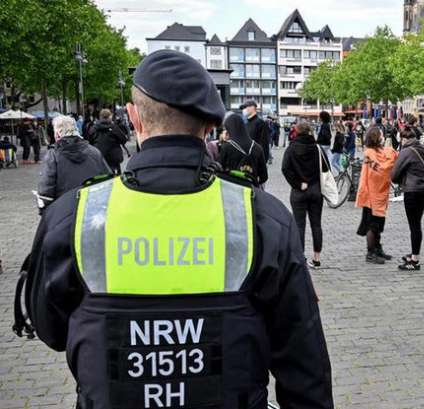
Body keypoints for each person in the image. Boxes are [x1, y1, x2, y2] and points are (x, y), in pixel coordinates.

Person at [23, 49, 333, 409]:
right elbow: (304, 367)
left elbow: (50, 329)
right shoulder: (261, 217)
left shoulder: (74, 215)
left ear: (134, 117)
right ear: (209, 126)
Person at [391, 125, 424, 271]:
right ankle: (414, 253)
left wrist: (403, 179)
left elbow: (394, 176)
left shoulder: (406, 152)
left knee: (414, 226)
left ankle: (415, 260)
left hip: (412, 191)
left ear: (403, 139)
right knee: (416, 224)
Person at [281, 121, 330, 269]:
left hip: (298, 192)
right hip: (316, 191)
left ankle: (300, 257)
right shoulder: (317, 148)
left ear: (296, 132)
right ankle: (317, 258)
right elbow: (326, 168)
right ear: (309, 131)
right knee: (316, 224)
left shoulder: (291, 148)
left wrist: (297, 183)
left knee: (299, 225)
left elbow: (285, 168)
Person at [37, 115, 109, 204]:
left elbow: (46, 191)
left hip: (64, 207)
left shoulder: (53, 156)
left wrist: (45, 208)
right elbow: (107, 180)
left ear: (58, 134)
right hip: (91, 206)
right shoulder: (94, 152)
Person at [356, 126, 398, 264]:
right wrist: (390, 160)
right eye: (380, 135)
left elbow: (387, 161)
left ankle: (378, 248)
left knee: (379, 223)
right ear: (376, 137)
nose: (383, 137)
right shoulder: (370, 153)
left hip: (380, 193)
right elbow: (380, 170)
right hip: (370, 194)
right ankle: (370, 252)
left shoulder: (379, 151)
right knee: (372, 225)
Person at [218, 112, 268, 187]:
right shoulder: (257, 148)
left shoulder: (226, 147)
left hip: (232, 189)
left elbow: (218, 172)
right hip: (252, 190)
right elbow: (264, 177)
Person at [87, 109, 129, 175]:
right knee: (116, 176)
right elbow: (123, 139)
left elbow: (89, 141)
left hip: (99, 157)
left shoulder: (94, 128)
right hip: (114, 158)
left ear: (100, 117)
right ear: (109, 116)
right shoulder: (114, 127)